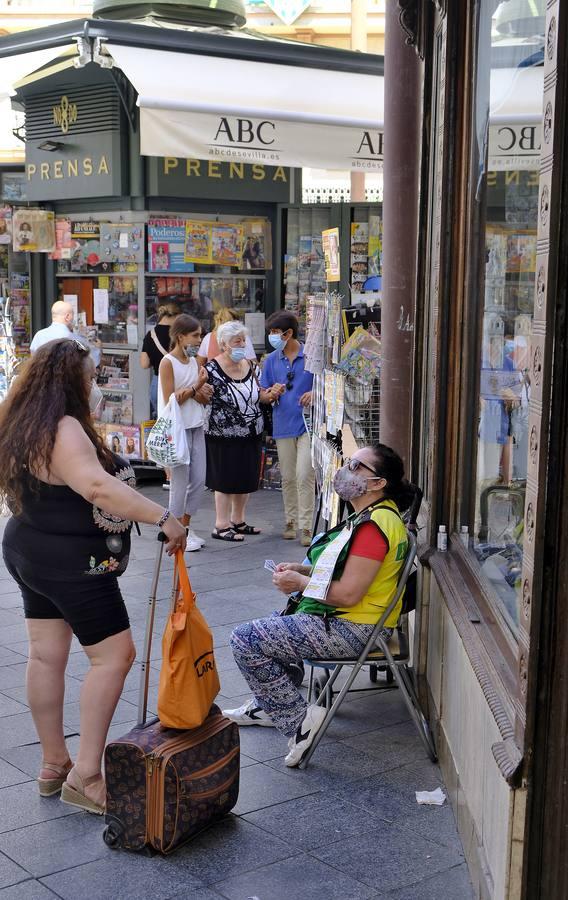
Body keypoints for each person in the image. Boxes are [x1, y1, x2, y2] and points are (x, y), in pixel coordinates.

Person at [0, 339, 186, 814]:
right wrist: (162, 517)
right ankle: (86, 774)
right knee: (114, 657)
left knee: (45, 656)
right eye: (90, 375)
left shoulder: (24, 419)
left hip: (28, 547)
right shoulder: (64, 427)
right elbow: (97, 487)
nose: (94, 383)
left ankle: (52, 764)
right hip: (73, 563)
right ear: (72, 380)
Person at [223, 443, 413, 767]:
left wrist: (299, 584)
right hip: (347, 620)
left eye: (356, 466)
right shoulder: (372, 516)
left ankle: (298, 722)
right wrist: (305, 571)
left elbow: (349, 594)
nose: (345, 469)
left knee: (245, 640)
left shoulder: (375, 526)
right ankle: (268, 705)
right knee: (275, 624)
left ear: (378, 483)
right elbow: (349, 570)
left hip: (353, 627)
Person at [205, 321, 280, 542]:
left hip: (251, 432)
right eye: (236, 341)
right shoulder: (211, 370)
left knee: (245, 477)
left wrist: (272, 393)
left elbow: (262, 396)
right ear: (223, 344)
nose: (241, 345)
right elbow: (204, 397)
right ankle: (221, 524)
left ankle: (238, 520)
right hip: (222, 434)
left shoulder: (251, 366)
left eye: (243, 340)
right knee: (225, 479)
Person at [158, 315, 213, 552]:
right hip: (177, 429)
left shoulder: (193, 362)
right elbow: (171, 399)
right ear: (181, 336)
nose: (198, 340)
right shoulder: (167, 362)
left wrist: (201, 388)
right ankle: (174, 530)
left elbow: (200, 396)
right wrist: (197, 387)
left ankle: (186, 527)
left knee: (199, 480)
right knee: (180, 483)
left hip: (195, 424)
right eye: (195, 335)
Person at [261, 311, 315, 547]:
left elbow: (325, 383)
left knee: (305, 474)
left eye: (275, 332)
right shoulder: (271, 360)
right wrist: (271, 393)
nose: (272, 337)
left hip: (307, 424)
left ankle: (306, 526)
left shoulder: (311, 356)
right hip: (283, 423)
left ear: (288, 333)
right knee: (288, 476)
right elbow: (263, 394)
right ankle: (290, 521)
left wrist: (315, 393)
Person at [140, 302, 181, 420]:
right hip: (178, 382)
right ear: (175, 316)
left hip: (157, 382)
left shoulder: (150, 335)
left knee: (161, 421)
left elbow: (144, 363)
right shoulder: (180, 335)